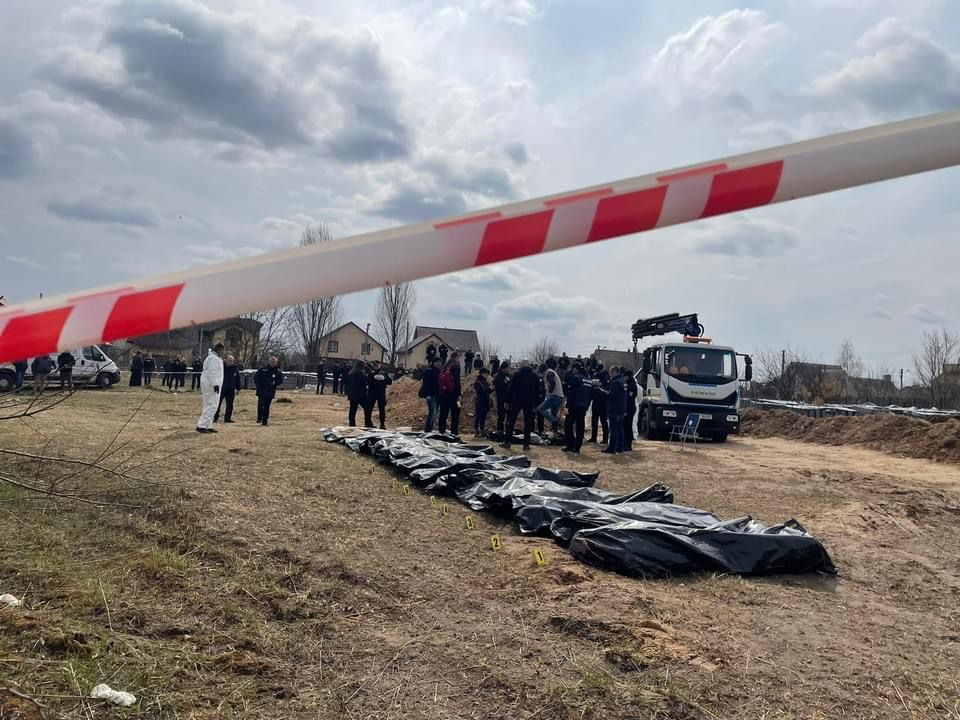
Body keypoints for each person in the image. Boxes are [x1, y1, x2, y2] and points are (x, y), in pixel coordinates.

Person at [503, 360, 538, 450]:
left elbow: (511, 388)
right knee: (528, 423)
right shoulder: (534, 376)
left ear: (522, 366)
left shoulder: (517, 374)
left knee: (511, 421)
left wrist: (507, 401)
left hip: (517, 400)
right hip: (529, 402)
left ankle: (507, 442)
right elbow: (537, 391)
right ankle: (526, 444)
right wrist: (536, 404)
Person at [562, 363, 591, 454]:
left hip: (574, 406)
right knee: (580, 427)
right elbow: (590, 395)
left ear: (575, 369)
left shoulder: (575, 378)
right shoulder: (588, 380)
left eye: (573, 369)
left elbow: (572, 393)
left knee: (568, 425)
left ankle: (570, 445)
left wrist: (567, 406)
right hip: (583, 407)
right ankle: (577, 447)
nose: (572, 371)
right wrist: (586, 406)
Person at [196, 344, 224, 433]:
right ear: (219, 350)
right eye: (222, 351)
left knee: (213, 405)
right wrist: (215, 384)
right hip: (211, 385)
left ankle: (208, 424)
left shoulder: (217, 359)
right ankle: (202, 425)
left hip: (213, 384)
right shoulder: (213, 359)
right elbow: (212, 372)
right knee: (210, 405)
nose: (223, 353)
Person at [254, 356, 284, 426]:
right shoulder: (262, 370)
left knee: (267, 406)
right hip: (262, 390)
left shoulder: (278, 372)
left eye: (274, 362)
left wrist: (275, 383)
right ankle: (259, 417)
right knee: (261, 405)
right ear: (269, 362)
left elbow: (280, 381)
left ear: (276, 363)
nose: (273, 363)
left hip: (270, 391)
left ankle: (265, 421)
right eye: (272, 362)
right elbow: (256, 378)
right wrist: (259, 385)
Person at [537, 357, 564, 433]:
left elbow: (552, 383)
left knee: (541, 409)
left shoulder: (549, 373)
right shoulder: (552, 372)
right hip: (559, 396)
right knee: (553, 413)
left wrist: (549, 393)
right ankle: (555, 431)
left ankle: (555, 421)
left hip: (554, 396)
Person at [604, 366, 627, 454]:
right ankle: (620, 447)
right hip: (621, 408)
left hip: (614, 408)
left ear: (614, 372)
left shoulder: (615, 382)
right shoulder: (623, 381)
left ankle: (612, 448)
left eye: (610, 372)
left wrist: (603, 392)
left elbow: (611, 395)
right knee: (620, 429)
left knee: (613, 430)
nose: (610, 374)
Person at [438, 354, 461, 435]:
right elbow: (457, 381)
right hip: (453, 393)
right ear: (457, 357)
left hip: (443, 393)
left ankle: (441, 432)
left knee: (443, 414)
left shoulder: (445, 366)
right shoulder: (456, 366)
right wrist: (459, 393)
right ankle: (454, 433)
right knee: (455, 414)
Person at [214, 355, 241, 423]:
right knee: (218, 403)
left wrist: (238, 388)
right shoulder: (221, 368)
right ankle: (215, 417)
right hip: (222, 388)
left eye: (232, 361)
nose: (230, 362)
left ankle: (227, 418)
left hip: (231, 389)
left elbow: (238, 379)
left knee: (230, 404)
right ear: (226, 360)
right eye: (229, 360)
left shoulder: (235, 369)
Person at [588, 363, 609, 444]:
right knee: (594, 420)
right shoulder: (595, 375)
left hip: (603, 401)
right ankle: (593, 437)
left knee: (604, 421)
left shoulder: (606, 376)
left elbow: (607, 389)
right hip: (596, 401)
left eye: (599, 370)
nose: (598, 372)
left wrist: (601, 388)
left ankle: (605, 438)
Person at [346, 361, 372, 427]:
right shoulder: (360, 374)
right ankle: (368, 423)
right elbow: (364, 383)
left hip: (353, 395)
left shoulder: (351, 373)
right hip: (361, 395)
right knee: (367, 408)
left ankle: (352, 424)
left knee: (352, 410)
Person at [367, 362, 392, 429]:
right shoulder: (371, 373)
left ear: (380, 366)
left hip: (381, 393)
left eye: (377, 365)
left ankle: (382, 424)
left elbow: (390, 382)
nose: (376, 366)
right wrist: (373, 377)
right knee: (369, 408)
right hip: (372, 393)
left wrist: (384, 379)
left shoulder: (384, 373)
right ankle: (368, 422)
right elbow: (367, 381)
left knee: (382, 409)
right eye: (375, 365)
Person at [420, 357, 441, 432]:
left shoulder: (439, 372)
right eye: (437, 362)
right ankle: (427, 430)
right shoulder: (429, 371)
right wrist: (427, 394)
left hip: (437, 395)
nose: (438, 363)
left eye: (439, 362)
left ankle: (430, 429)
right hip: (431, 395)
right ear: (433, 363)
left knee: (434, 414)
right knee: (432, 413)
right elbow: (426, 384)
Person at [494, 360, 511, 440]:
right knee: (501, 416)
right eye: (507, 368)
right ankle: (499, 430)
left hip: (509, 399)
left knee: (509, 416)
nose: (508, 369)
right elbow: (498, 387)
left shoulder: (509, 376)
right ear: (503, 368)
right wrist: (505, 382)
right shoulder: (498, 376)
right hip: (501, 398)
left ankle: (507, 431)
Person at [474, 367, 492, 437]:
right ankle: (476, 431)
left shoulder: (485, 381)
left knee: (483, 417)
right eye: (485, 374)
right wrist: (489, 389)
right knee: (478, 416)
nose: (487, 375)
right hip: (480, 401)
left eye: (487, 374)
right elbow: (481, 391)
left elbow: (487, 391)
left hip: (485, 401)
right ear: (482, 373)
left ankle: (482, 430)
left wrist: (491, 389)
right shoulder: (478, 382)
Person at [624, 371, 638, 451]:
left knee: (628, 427)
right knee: (626, 426)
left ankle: (628, 445)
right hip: (629, 407)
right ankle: (625, 444)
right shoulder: (630, 384)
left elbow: (630, 397)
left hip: (630, 408)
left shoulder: (632, 385)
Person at [534, 364, 547, 436]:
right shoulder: (534, 377)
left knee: (540, 416)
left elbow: (543, 389)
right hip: (535, 399)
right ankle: (533, 430)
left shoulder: (540, 378)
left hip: (540, 400)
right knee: (532, 416)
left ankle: (540, 430)